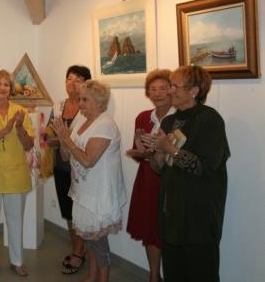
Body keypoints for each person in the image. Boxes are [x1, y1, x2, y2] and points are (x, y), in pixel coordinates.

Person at [143, 65, 230, 282]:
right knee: (174, 271)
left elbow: (204, 167)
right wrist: (159, 154)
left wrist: (170, 147)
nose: (169, 90)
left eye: (174, 85)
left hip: (199, 215)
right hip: (171, 212)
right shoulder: (169, 121)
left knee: (202, 272)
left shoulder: (210, 119)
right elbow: (159, 169)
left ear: (194, 90)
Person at [52, 80, 126, 282]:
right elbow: (67, 157)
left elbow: (87, 160)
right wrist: (62, 139)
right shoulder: (81, 122)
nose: (80, 103)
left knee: (99, 243)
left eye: (85, 99)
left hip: (99, 194)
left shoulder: (105, 124)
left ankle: (103, 278)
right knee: (90, 240)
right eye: (80, 98)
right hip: (84, 192)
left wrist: (66, 139)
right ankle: (92, 276)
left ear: (99, 101)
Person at [0, 69, 35, 278]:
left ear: (11, 90)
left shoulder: (20, 110)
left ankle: (17, 261)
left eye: (6, 84)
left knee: (15, 220)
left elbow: (29, 144)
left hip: (15, 174)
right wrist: (5, 130)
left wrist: (19, 127)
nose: (2, 88)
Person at [125, 69, 175, 282]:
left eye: (163, 88)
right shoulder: (143, 117)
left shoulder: (180, 118)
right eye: (152, 89)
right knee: (150, 230)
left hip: (172, 182)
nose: (158, 93)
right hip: (147, 180)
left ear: (172, 90)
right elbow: (139, 156)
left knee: (171, 231)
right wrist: (138, 149)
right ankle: (154, 276)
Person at [47, 65, 91, 274]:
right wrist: (51, 139)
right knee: (68, 212)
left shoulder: (89, 108)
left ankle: (79, 253)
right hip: (61, 165)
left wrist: (64, 139)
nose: (72, 83)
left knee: (80, 211)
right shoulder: (58, 106)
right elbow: (49, 132)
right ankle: (77, 248)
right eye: (69, 78)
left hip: (80, 169)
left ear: (87, 84)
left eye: (78, 79)